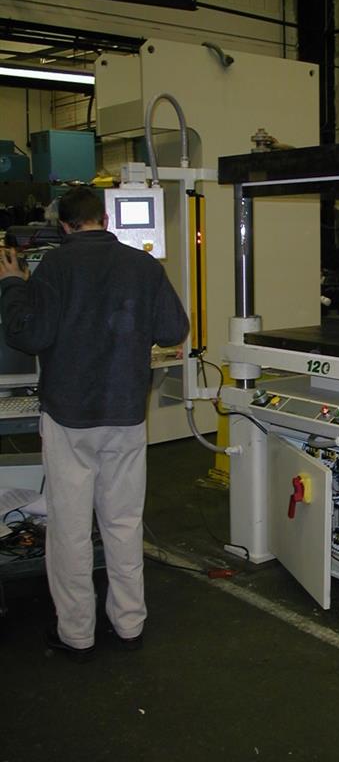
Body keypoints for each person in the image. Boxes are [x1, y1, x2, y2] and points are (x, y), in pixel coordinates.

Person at [0, 186, 189, 662]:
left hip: (70, 418)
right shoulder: (144, 266)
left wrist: (12, 284)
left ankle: (77, 634)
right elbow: (173, 330)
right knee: (123, 522)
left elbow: (29, 335)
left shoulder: (55, 267)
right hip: (125, 414)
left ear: (64, 226)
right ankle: (129, 624)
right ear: (105, 219)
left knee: (69, 527)